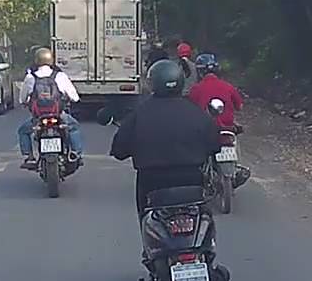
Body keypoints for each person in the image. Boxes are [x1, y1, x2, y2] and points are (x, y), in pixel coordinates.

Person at [111, 60, 222, 217]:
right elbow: (215, 145)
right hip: (191, 179)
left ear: (153, 83)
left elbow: (119, 151)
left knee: (147, 216)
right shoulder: (197, 113)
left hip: (152, 181)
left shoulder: (139, 114)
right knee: (204, 215)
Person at [188, 53, 252, 189]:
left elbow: (190, 109)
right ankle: (236, 167)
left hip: (205, 130)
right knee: (234, 141)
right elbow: (239, 106)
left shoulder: (196, 89)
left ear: (200, 72)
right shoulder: (228, 86)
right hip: (227, 129)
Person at [18, 47, 84, 168]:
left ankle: (29, 157)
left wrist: (25, 102)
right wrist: (73, 100)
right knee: (73, 127)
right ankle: (76, 153)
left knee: (23, 131)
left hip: (38, 117)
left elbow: (22, 98)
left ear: (36, 60)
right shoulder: (60, 76)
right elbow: (74, 96)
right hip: (58, 115)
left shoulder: (30, 77)